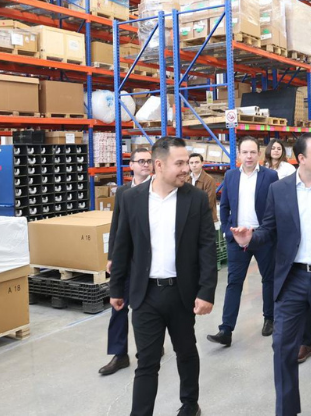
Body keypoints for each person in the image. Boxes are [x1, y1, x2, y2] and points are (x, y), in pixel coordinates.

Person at [231, 132, 311, 416]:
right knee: (282, 347)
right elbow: (269, 230)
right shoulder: (279, 190)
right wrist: (249, 239)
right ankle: (287, 409)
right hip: (292, 279)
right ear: (301, 158)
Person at [109, 137, 218, 416]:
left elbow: (207, 247)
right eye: (179, 163)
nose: (186, 169)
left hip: (181, 293)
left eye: (186, 163)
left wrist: (206, 291)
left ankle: (190, 404)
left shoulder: (195, 199)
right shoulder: (131, 198)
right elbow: (122, 246)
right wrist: (116, 288)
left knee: (186, 351)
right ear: (158, 165)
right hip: (145, 294)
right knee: (146, 361)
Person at [207, 136, 279, 346]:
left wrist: (268, 232)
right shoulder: (230, 176)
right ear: (238, 154)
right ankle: (226, 330)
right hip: (237, 237)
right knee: (234, 282)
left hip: (262, 236)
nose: (249, 156)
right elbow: (224, 206)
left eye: (252, 152)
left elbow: (275, 207)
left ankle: (269, 318)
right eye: (245, 152)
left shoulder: (270, 176)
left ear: (259, 154)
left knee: (268, 279)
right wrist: (229, 232)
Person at [98, 147, 153, 376]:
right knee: (118, 304)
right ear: (131, 165)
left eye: (149, 161)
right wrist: (112, 256)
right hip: (126, 259)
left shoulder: (157, 189)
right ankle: (119, 354)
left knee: (149, 308)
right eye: (141, 161)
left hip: (148, 260)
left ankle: (151, 348)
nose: (145, 164)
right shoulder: (122, 192)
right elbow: (117, 226)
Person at [187, 152, 218, 222]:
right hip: (190, 218)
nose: (194, 165)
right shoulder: (186, 179)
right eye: (191, 163)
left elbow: (209, 202)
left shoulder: (209, 180)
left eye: (197, 162)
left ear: (202, 163)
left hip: (206, 219)